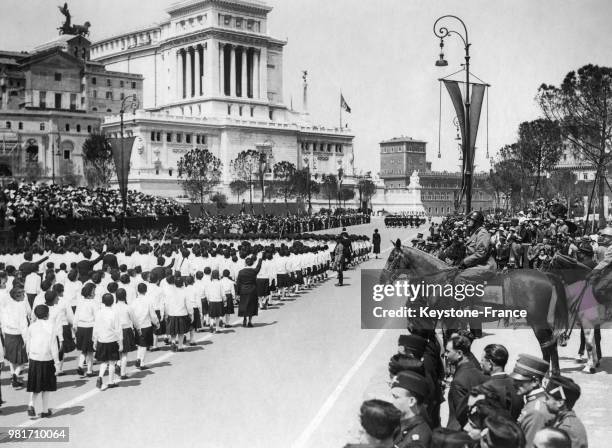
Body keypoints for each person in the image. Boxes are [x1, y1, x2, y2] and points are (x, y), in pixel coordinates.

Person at [444, 334, 487, 430]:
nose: (445, 355)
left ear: (459, 353)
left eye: (448, 352)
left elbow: (462, 414)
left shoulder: (458, 381)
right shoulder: (476, 368)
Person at [24, 304, 60, 418]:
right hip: (47, 359)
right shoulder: (51, 327)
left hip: (34, 359)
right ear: (47, 315)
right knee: (46, 387)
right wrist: (57, 363)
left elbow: (28, 345)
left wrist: (29, 357)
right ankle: (45, 410)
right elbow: (54, 347)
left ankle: (31, 404)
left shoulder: (31, 327)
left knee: (35, 385)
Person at [511, 354, 552, 448]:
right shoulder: (538, 400)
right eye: (515, 379)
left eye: (520, 381)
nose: (515, 383)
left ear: (535, 382)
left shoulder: (535, 411)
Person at [480, 344, 523, 420]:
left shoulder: (486, 388)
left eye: (482, 360)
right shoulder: (516, 383)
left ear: (490, 363)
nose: (481, 364)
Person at [391, 371, 432, 448]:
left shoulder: (417, 441)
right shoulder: (402, 422)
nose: (391, 401)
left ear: (412, 401)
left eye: (396, 397)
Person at [544, 376, 588, 448]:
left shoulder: (567, 429)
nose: (544, 401)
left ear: (560, 403)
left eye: (547, 398)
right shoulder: (560, 419)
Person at [456, 210, 496, 284]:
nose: (468, 221)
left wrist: (465, 262)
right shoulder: (475, 232)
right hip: (476, 265)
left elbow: (481, 253)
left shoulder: (482, 233)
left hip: (485, 266)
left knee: (460, 278)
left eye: (470, 220)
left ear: (476, 222)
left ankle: (465, 296)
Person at [93, 293, 123, 390]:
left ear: (103, 301)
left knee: (104, 361)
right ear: (113, 301)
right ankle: (110, 381)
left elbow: (96, 327)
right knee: (112, 362)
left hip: (101, 339)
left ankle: (100, 377)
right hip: (112, 339)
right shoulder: (114, 313)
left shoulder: (99, 312)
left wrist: (95, 340)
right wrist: (120, 342)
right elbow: (118, 329)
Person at [1, 285, 29, 388]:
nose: (24, 296)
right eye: (23, 294)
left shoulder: (7, 306)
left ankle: (14, 376)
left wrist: (4, 333)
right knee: (23, 359)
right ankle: (15, 375)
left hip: (8, 334)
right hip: (18, 335)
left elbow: (3, 321)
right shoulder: (21, 306)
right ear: (18, 296)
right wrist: (26, 339)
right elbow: (23, 325)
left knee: (12, 358)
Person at [130, 282, 159, 372]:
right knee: (144, 345)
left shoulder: (134, 302)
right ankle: (141, 361)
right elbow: (152, 315)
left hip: (137, 326)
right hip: (146, 325)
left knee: (139, 344)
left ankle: (139, 358)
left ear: (137, 291)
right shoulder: (148, 301)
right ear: (146, 290)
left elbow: (131, 314)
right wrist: (157, 323)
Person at [74, 282, 97, 377]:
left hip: (80, 327)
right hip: (90, 327)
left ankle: (80, 365)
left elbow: (76, 314)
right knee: (90, 350)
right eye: (94, 291)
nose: (95, 293)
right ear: (90, 293)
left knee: (84, 349)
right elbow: (97, 317)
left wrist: (75, 325)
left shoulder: (80, 302)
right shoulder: (93, 303)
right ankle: (89, 370)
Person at [113, 288, 137, 379]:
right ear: (125, 296)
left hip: (115, 331)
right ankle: (123, 373)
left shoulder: (113, 307)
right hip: (126, 330)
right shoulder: (128, 307)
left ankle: (118, 364)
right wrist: (138, 328)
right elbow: (134, 319)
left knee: (118, 351)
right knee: (124, 353)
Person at [165, 276, 192, 352]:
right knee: (181, 331)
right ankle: (180, 346)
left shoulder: (170, 292)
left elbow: (166, 304)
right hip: (182, 314)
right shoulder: (185, 292)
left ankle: (173, 342)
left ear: (175, 284)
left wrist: (166, 313)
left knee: (173, 331)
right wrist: (191, 313)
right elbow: (188, 305)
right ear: (183, 284)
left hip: (172, 313)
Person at [236, 256, 262, 328]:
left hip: (243, 290)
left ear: (245, 263)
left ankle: (244, 318)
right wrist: (260, 259)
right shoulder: (254, 271)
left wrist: (237, 293)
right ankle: (250, 321)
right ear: (252, 263)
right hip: (252, 289)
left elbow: (238, 283)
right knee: (251, 306)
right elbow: (258, 267)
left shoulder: (241, 272)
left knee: (244, 305)